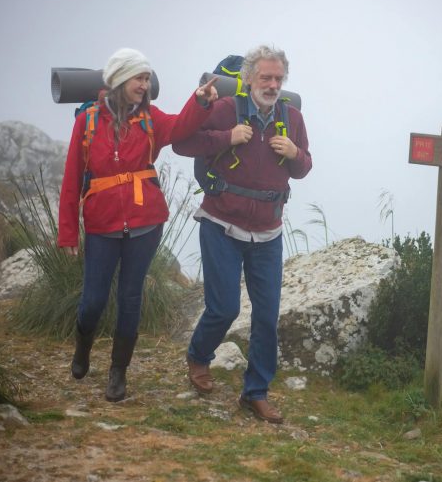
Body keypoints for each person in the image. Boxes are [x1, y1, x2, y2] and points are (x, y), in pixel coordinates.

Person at [57, 47, 219, 402]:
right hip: (101, 224)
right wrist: (67, 231)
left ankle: (118, 373)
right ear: (119, 80)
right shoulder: (86, 123)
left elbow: (179, 127)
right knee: (94, 301)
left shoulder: (150, 118)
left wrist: (201, 101)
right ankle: (82, 347)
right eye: (139, 78)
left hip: (146, 223)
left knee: (131, 298)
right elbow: (72, 179)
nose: (145, 85)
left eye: (147, 78)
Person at [173, 45, 312, 423]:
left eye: (278, 79)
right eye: (265, 77)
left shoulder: (292, 118)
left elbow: (304, 167)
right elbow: (182, 143)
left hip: (268, 231)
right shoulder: (224, 111)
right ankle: (199, 356)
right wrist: (226, 138)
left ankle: (255, 392)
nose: (272, 85)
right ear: (249, 78)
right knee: (225, 308)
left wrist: (295, 153)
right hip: (221, 222)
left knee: (266, 315)